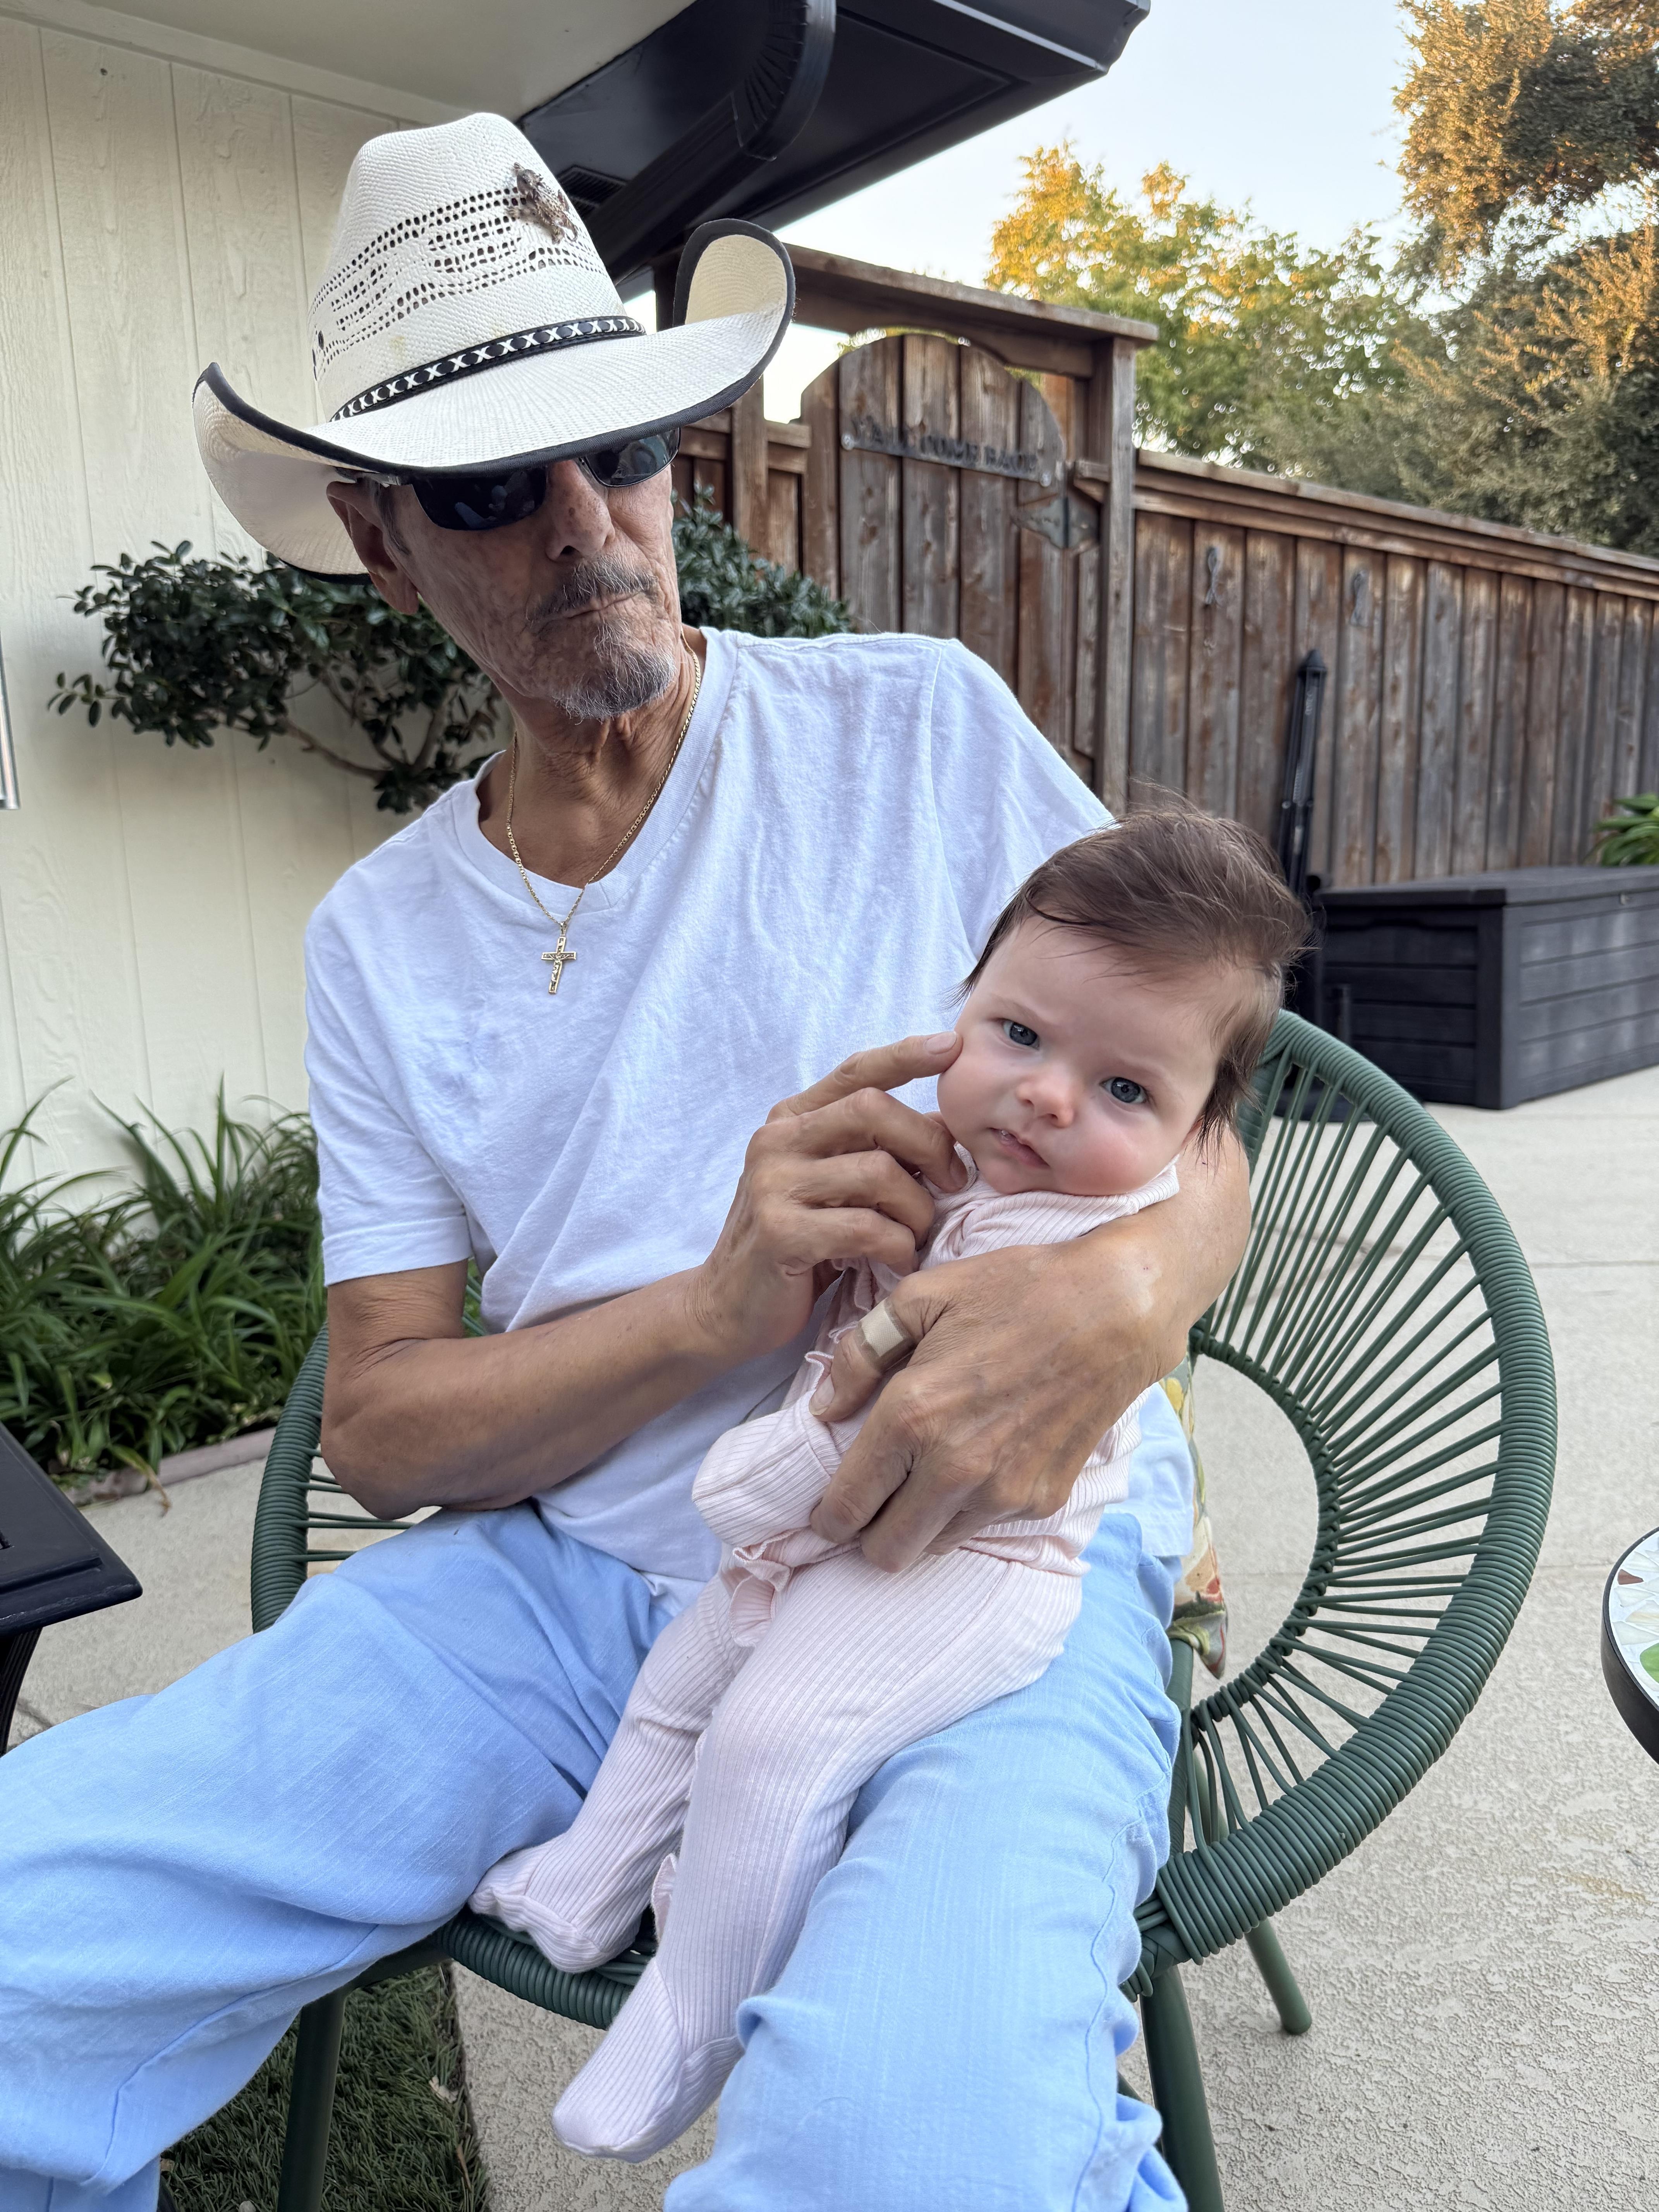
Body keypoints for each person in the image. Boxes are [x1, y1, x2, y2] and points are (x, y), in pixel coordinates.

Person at [0, 113, 1249, 2212]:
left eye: (624, 450)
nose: (588, 525)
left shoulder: (914, 731)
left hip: (963, 1544)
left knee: (907, 2162)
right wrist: (714, 1308)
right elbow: (388, 1430)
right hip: (552, 1592)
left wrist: (1123, 1301)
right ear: (382, 540)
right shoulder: (383, 940)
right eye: (493, 487)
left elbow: (1219, 1091)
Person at [473, 814, 1308, 2164]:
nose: (1047, 1098)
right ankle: (585, 1882)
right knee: (682, 1685)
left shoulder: (1069, 1240)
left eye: (1123, 1091)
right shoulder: (950, 1174)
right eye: (1018, 1036)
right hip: (842, 1543)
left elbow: (868, 1413)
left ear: (1192, 1136)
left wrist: (756, 1486)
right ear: (958, 1011)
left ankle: (693, 2019)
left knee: (769, 1745)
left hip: (971, 1562)